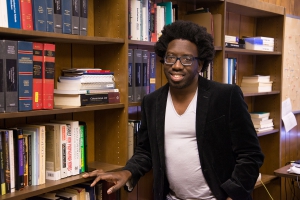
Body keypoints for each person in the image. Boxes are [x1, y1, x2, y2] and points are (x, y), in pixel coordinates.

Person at [83, 20, 264, 200]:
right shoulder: (152, 102)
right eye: (171, 57)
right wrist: (127, 172)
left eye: (186, 59)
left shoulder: (226, 96)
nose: (176, 65)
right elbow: (146, 150)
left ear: (200, 64)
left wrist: (234, 195)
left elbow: (250, 154)